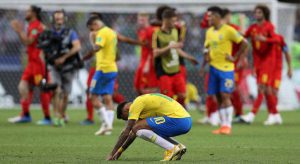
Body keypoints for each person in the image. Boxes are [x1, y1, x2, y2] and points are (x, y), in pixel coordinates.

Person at [80, 12, 142, 126]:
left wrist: (85, 57)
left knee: (106, 94)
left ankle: (126, 113)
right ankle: (90, 118)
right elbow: (121, 42)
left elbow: (100, 48)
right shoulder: (104, 33)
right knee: (94, 91)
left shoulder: (102, 33)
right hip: (98, 66)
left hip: (103, 68)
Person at [107, 93, 192, 161]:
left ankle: (171, 148)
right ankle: (178, 146)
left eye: (126, 118)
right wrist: (120, 151)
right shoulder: (144, 106)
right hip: (186, 120)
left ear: (125, 110)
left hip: (178, 120)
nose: (128, 120)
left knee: (137, 128)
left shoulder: (135, 105)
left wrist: (113, 153)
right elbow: (133, 133)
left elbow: (127, 131)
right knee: (140, 130)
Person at [204, 6, 248, 134]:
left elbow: (245, 43)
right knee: (217, 97)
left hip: (226, 69)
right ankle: (223, 125)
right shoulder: (209, 31)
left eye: (210, 16)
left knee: (225, 95)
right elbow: (207, 46)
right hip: (213, 68)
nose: (208, 18)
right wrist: (206, 54)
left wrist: (235, 57)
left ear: (217, 17)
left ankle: (228, 126)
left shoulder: (229, 30)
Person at [8, 5, 52, 125]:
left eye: (27, 11)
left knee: (42, 89)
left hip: (38, 64)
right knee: (23, 86)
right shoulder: (32, 26)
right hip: (31, 63)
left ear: (33, 13)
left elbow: (28, 41)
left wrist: (18, 31)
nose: (25, 13)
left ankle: (47, 117)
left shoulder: (36, 26)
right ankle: (25, 115)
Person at [241, 5, 282, 125]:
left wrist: (265, 39)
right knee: (267, 89)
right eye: (255, 12)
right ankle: (275, 114)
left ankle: (251, 115)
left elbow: (277, 40)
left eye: (259, 12)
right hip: (257, 62)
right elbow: (243, 36)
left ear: (264, 13)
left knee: (262, 88)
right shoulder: (253, 28)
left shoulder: (269, 26)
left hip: (268, 61)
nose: (256, 14)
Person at [152, 9, 198, 107]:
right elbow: (155, 53)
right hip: (163, 70)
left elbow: (176, 49)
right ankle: (168, 118)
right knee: (167, 98)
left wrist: (189, 57)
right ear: (165, 20)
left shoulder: (174, 31)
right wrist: (169, 47)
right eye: (173, 21)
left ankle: (179, 115)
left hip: (176, 69)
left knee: (182, 95)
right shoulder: (157, 34)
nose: (175, 23)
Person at [86, 16, 119, 135]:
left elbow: (97, 47)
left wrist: (92, 39)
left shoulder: (101, 33)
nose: (92, 32)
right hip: (112, 69)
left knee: (92, 97)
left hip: (102, 69)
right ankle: (107, 130)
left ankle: (107, 124)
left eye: (91, 29)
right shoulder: (112, 32)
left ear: (95, 24)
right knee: (107, 97)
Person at [47, 9, 81, 126]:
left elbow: (77, 47)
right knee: (56, 90)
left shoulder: (70, 33)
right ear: (53, 19)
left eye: (61, 18)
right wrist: (51, 60)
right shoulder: (49, 33)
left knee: (66, 94)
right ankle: (56, 116)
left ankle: (62, 114)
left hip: (68, 67)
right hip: (54, 67)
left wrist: (64, 57)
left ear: (64, 19)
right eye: (57, 19)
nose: (59, 21)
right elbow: (44, 49)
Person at [222, 8, 248, 122]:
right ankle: (220, 114)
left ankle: (239, 113)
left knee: (233, 87)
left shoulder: (232, 27)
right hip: (222, 64)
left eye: (227, 16)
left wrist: (242, 58)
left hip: (235, 63)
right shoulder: (217, 30)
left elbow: (243, 40)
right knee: (224, 90)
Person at [134, 13, 159, 95]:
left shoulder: (151, 31)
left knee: (149, 88)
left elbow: (152, 48)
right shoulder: (141, 31)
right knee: (138, 87)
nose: (141, 21)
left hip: (149, 62)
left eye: (143, 19)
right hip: (142, 61)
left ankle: (152, 105)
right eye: (139, 19)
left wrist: (148, 63)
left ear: (147, 19)